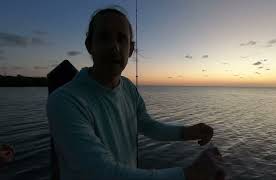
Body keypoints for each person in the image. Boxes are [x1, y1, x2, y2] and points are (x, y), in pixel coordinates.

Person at [47, 6, 216, 180]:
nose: (114, 46)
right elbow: (101, 172)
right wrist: (189, 175)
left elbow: (147, 125)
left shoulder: (128, 87)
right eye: (104, 37)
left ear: (131, 49)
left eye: (122, 39)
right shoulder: (64, 101)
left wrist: (187, 132)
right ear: (89, 45)